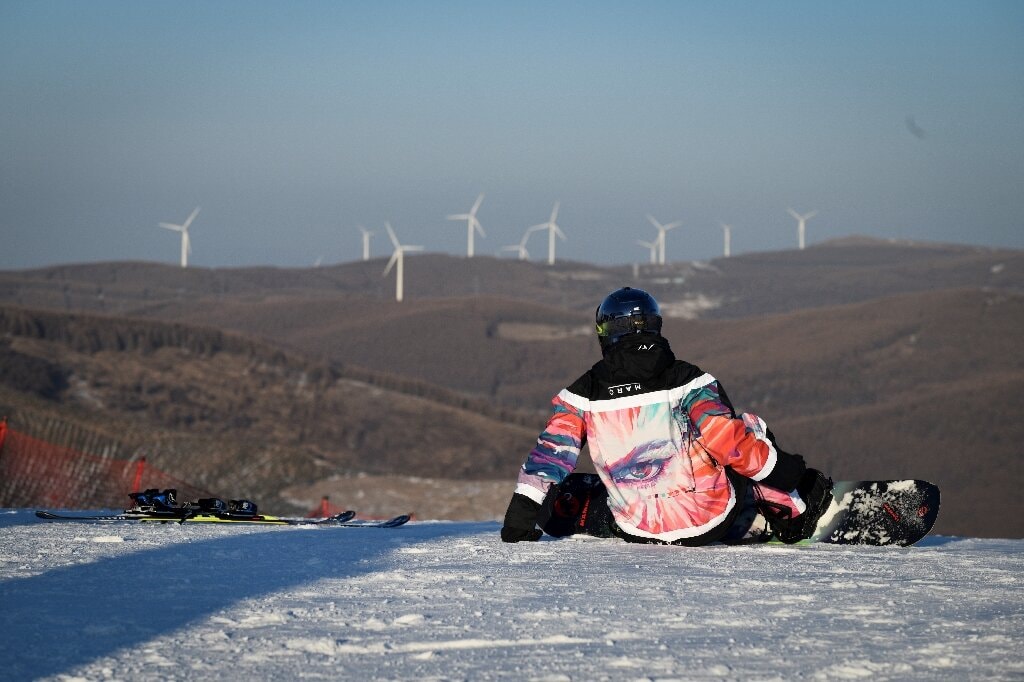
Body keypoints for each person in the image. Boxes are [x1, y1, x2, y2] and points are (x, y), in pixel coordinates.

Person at [501, 286, 833, 546]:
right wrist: (790, 472)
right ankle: (791, 512)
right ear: (654, 325)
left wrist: (520, 516)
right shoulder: (688, 380)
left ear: (604, 332)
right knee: (748, 426)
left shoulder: (582, 393)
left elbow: (551, 454)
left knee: (592, 481)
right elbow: (728, 443)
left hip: (639, 529)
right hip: (710, 520)